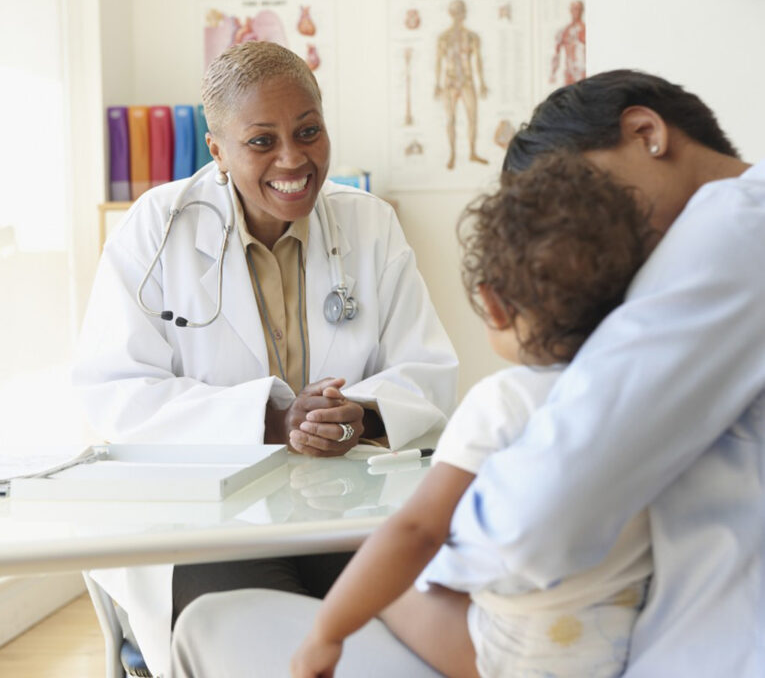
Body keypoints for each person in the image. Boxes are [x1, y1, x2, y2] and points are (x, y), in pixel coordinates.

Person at [170, 69, 764, 678]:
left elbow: (531, 525)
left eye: (585, 205)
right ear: (218, 150)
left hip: (593, 639)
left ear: (646, 133)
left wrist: (420, 566)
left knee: (211, 620)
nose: (596, 236)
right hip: (612, 635)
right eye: (262, 141)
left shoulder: (731, 230)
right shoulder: (704, 242)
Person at [72, 40, 458, 677]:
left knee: (412, 633)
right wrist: (274, 420)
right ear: (217, 149)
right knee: (266, 645)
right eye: (261, 141)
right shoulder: (155, 228)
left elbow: (428, 367)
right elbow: (115, 391)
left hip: (349, 507)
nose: (293, 159)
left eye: (309, 131)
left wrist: (358, 414)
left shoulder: (370, 224)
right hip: (205, 521)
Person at [289, 151, 657, 678]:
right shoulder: (646, 391)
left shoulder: (503, 401)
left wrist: (327, 634)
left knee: (388, 575)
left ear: (494, 304)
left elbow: (416, 531)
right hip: (616, 644)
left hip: (517, 655)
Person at [434, 0, 489, 170]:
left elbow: (478, 60)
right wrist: (437, 83)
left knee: (472, 117)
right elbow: (438, 61)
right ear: (451, 14)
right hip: (449, 82)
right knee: (451, 119)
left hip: (467, 81)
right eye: (455, 11)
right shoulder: (443, 37)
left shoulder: (472, 37)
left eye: (461, 11)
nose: (458, 15)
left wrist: (482, 82)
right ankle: (452, 155)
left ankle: (472, 152)